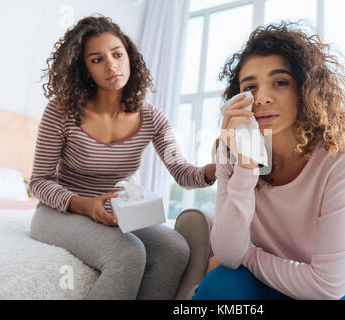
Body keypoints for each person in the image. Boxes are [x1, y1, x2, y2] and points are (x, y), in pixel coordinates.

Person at [29, 16, 216, 300]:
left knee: (175, 248)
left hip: (116, 216)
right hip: (59, 213)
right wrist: (85, 205)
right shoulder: (61, 112)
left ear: (129, 56)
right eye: (96, 59)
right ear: (84, 69)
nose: (111, 65)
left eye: (117, 54)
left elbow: (182, 172)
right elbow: (39, 182)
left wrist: (214, 170)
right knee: (129, 252)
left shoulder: (152, 118)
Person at [193, 22, 345, 300]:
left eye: (280, 82)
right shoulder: (229, 152)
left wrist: (249, 256)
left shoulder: (340, 159)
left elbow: (328, 287)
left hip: (332, 290)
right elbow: (229, 255)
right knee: (221, 283)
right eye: (250, 86)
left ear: (304, 89)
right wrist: (245, 165)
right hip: (266, 279)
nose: (262, 98)